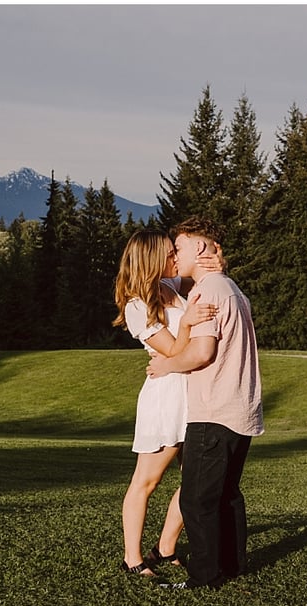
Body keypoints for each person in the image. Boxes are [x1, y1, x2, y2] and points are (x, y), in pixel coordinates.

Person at [147, 216, 263, 589]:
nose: (174, 256)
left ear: (198, 247)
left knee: (197, 500)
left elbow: (202, 352)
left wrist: (166, 365)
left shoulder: (206, 291)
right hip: (240, 410)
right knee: (227, 494)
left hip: (213, 409)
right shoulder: (230, 287)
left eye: (178, 248)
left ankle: (204, 576)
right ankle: (232, 566)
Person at [112, 229, 222, 577]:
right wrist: (188, 322)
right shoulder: (136, 306)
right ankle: (132, 559)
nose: (175, 257)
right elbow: (172, 349)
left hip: (194, 391)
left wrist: (214, 262)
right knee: (147, 481)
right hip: (166, 396)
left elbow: (202, 277)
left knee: (194, 479)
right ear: (151, 259)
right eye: (169, 253)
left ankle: (166, 547)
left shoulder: (170, 287)